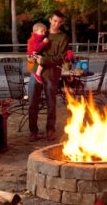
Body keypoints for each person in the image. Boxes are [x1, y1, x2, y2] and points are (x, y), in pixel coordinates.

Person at [28, 10, 68, 142]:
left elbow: (60, 57)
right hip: (36, 72)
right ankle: (33, 131)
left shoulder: (63, 38)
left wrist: (43, 60)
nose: (57, 24)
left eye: (60, 22)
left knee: (51, 103)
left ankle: (50, 130)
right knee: (33, 103)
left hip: (52, 74)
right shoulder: (41, 32)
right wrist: (31, 56)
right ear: (50, 20)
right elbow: (32, 46)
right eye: (55, 21)